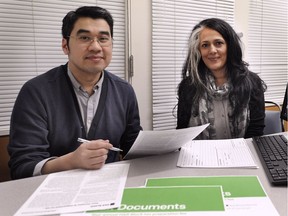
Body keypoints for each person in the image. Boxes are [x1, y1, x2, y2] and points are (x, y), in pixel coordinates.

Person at [8, 6, 142, 179]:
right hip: (53, 193)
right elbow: (22, 167)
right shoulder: (36, 92)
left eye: (103, 39)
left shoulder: (124, 91)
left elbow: (133, 147)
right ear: (65, 45)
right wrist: (72, 161)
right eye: (85, 38)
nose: (95, 47)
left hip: (109, 186)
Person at [176, 18, 266, 139]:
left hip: (241, 153)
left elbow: (256, 131)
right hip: (199, 155)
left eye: (218, 43)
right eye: (205, 45)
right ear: (199, 51)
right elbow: (182, 132)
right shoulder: (188, 86)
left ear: (230, 47)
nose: (212, 50)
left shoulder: (252, 82)